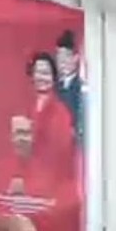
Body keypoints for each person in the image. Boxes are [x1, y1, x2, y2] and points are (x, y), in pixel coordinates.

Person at [27, 52, 75, 180]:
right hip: (29, 175)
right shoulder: (27, 107)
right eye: (38, 72)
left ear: (54, 78)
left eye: (46, 73)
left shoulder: (61, 112)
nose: (42, 78)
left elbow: (62, 151)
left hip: (52, 178)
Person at [56, 29, 84, 143]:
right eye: (59, 56)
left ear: (76, 58)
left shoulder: (81, 87)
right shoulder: (54, 87)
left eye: (66, 56)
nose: (62, 62)